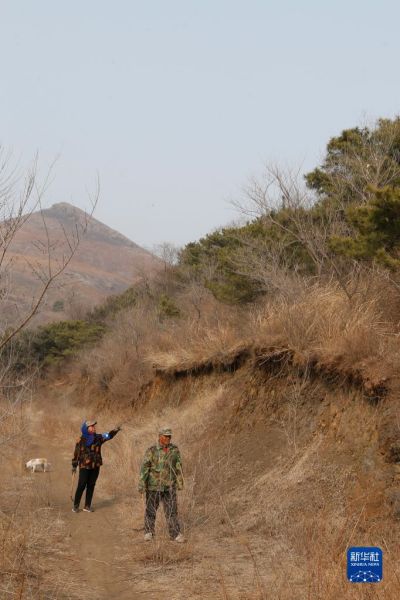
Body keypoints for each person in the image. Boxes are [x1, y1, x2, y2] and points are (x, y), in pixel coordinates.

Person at [138, 427, 184, 542]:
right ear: (160, 437)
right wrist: (142, 484)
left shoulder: (175, 450)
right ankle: (149, 532)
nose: (168, 438)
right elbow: (145, 468)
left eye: (169, 436)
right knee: (151, 510)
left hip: (169, 486)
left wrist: (180, 482)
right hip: (154, 486)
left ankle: (175, 534)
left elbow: (178, 467)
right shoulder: (152, 450)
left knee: (172, 511)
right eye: (166, 436)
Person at [71, 420, 121, 513]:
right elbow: (76, 453)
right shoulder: (80, 440)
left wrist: (115, 430)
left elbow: (108, 436)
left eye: (94, 426)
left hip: (95, 466)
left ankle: (87, 506)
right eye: (92, 426)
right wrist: (74, 465)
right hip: (84, 466)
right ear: (86, 428)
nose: (94, 428)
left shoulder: (98, 437)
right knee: (81, 485)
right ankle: (76, 506)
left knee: (91, 485)